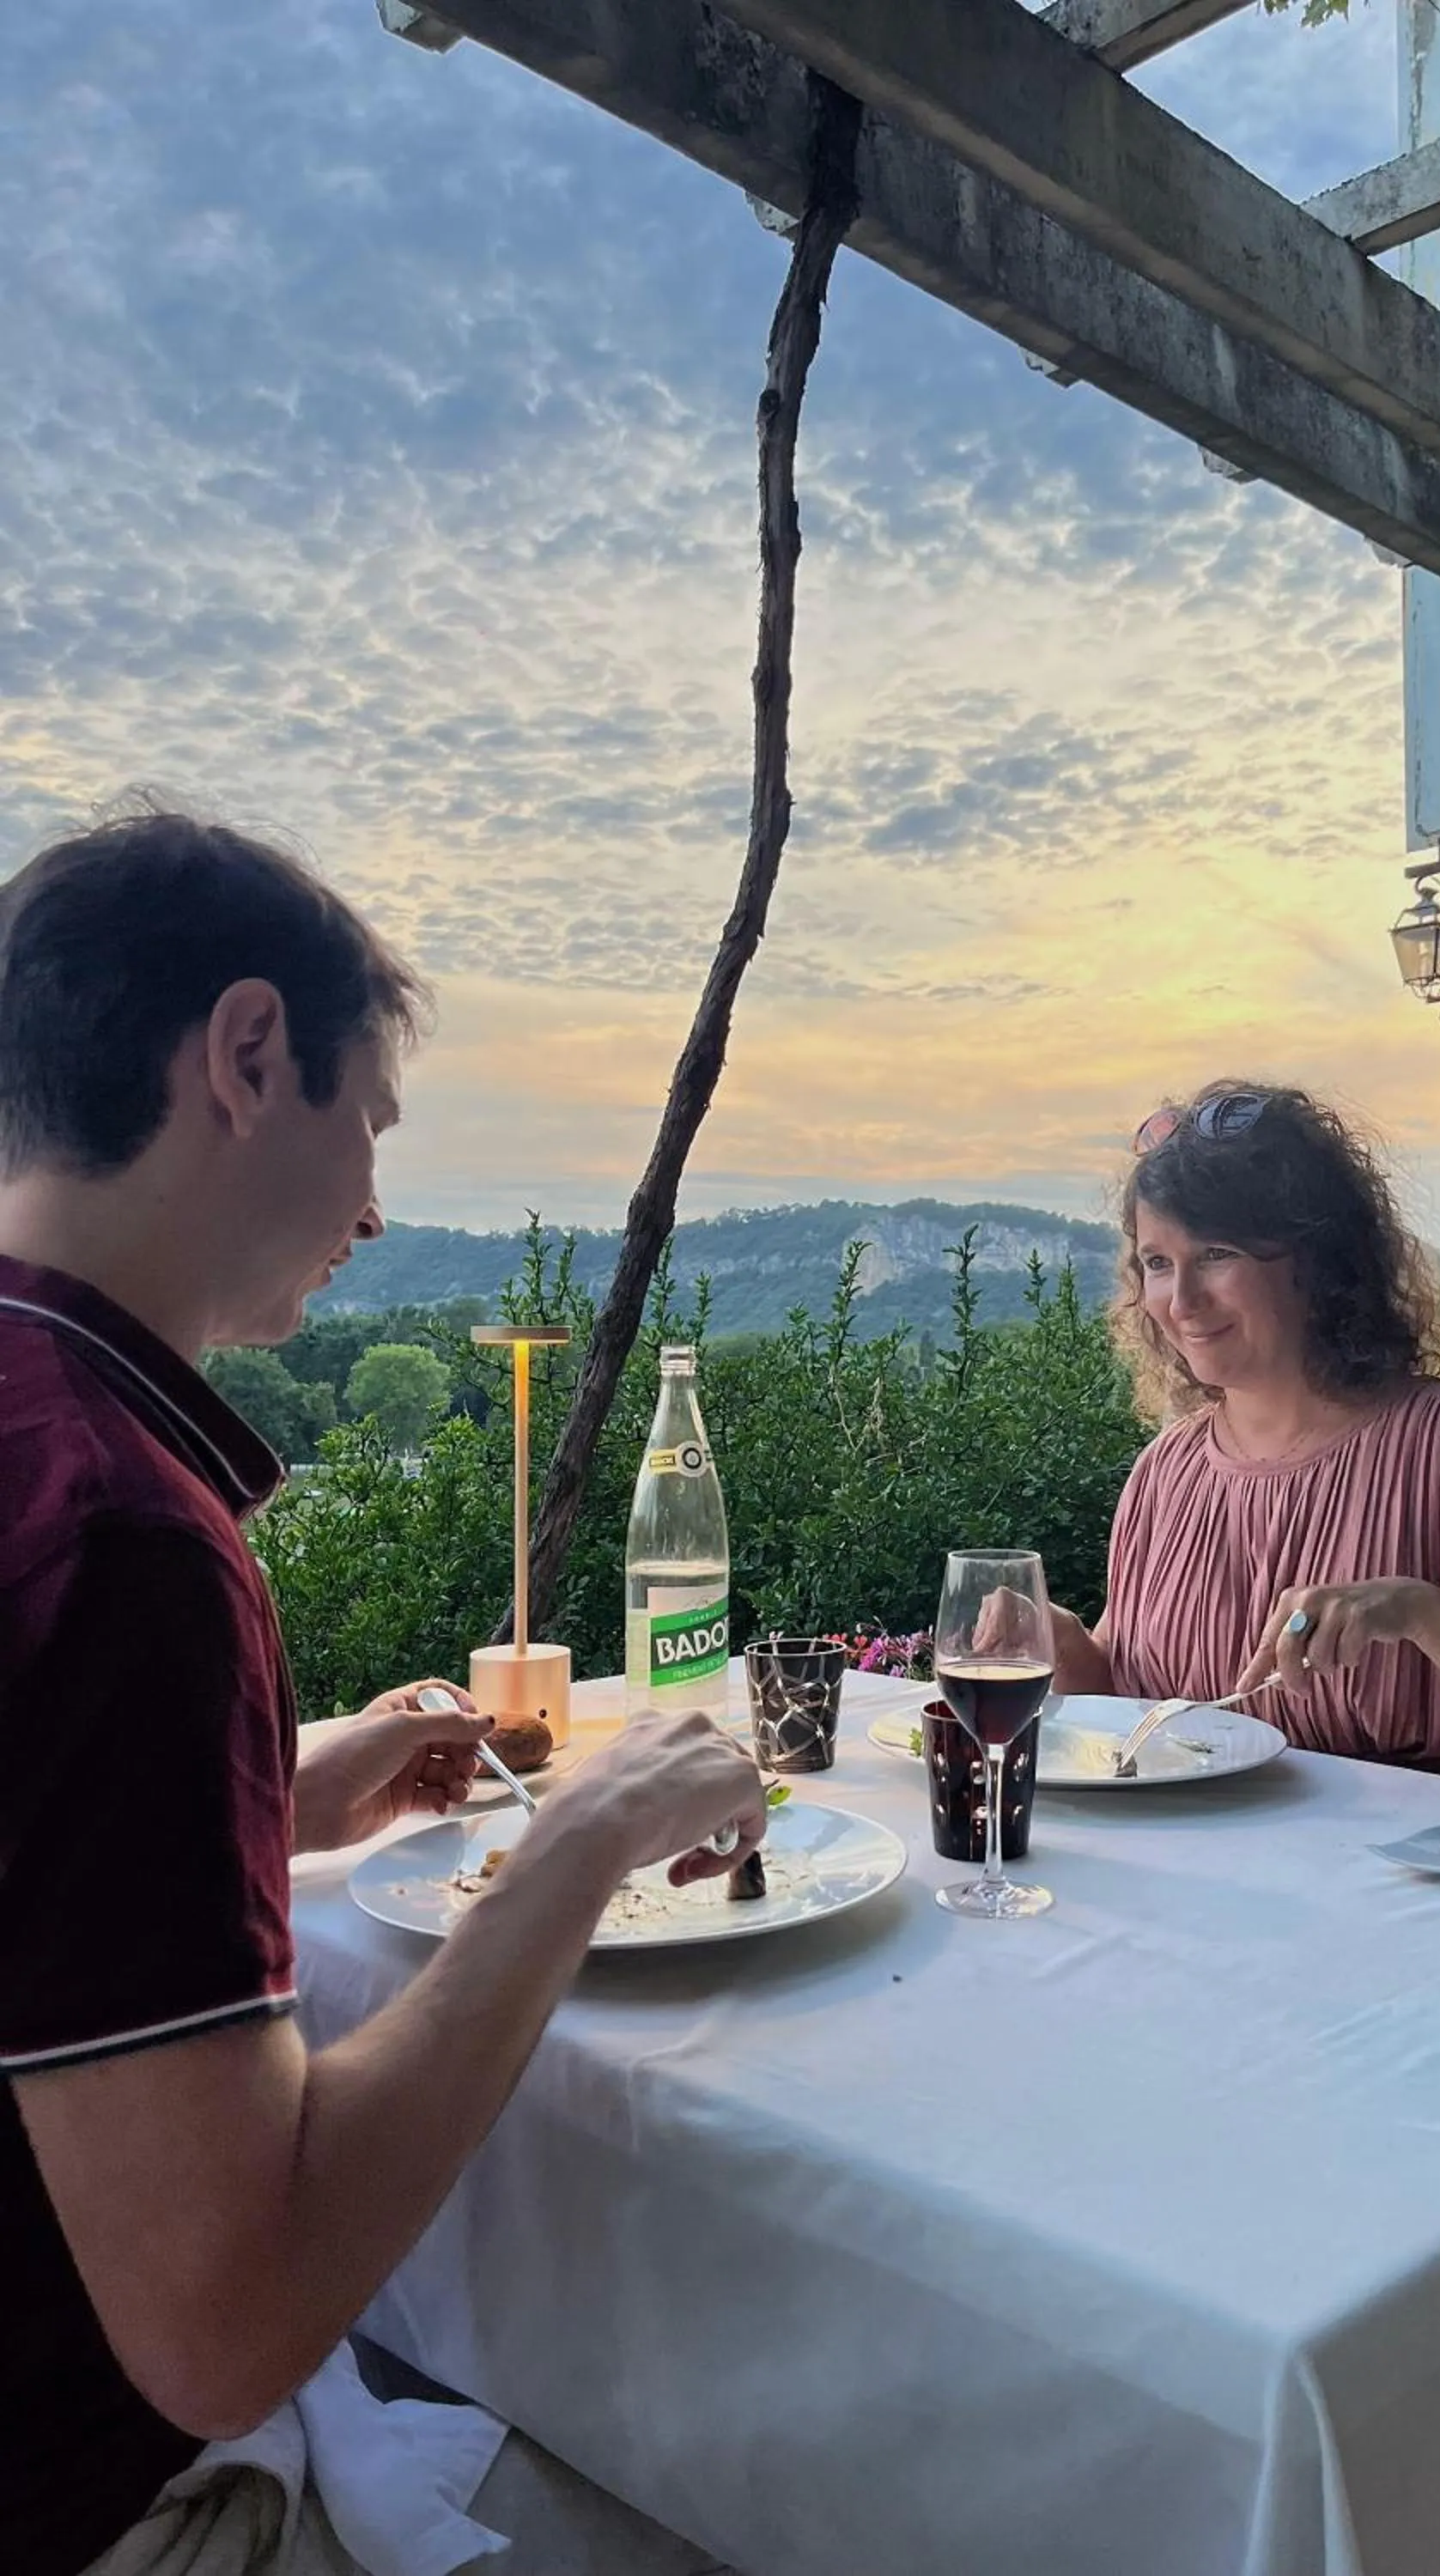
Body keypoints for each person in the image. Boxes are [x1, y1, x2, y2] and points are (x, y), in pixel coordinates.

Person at [0, 811, 768, 2576]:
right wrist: (579, 1846)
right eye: (371, 1123)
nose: (370, 1205)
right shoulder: (122, 1538)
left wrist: (265, 1799)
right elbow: (229, 2320)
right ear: (249, 1055)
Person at [1048, 1083, 1440, 1788]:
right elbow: (1135, 1715)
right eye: (1158, 1263)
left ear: (1317, 1262)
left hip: (1421, 1855)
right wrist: (1061, 1649)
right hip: (1195, 1853)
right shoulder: (1168, 1472)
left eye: (1217, 1253)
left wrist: (1423, 1613)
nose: (1181, 1301)